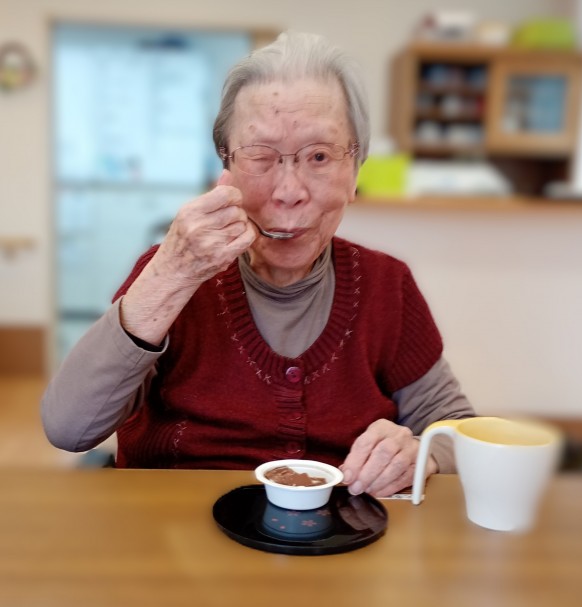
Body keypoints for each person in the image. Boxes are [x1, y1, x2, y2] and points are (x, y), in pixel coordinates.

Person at [42, 31, 474, 497]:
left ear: (355, 173)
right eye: (260, 157)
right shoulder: (170, 275)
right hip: (173, 527)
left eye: (320, 156)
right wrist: (171, 274)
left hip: (338, 532)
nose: (289, 192)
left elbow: (457, 430)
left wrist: (421, 452)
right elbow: (69, 428)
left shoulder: (387, 286)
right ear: (224, 170)